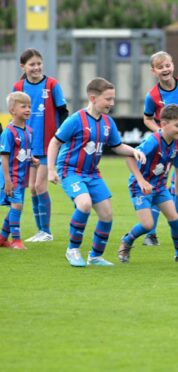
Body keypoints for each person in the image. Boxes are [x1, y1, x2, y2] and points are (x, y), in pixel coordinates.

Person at [47, 77, 146, 267]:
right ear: (93, 98)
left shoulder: (108, 123)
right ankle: (73, 250)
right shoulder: (76, 120)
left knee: (107, 214)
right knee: (84, 204)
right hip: (70, 171)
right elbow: (55, 142)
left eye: (113, 99)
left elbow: (117, 146)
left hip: (92, 173)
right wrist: (51, 170)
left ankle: (95, 256)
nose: (112, 103)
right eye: (108, 99)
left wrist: (134, 151)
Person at [118, 104, 178, 264]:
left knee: (175, 219)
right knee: (147, 224)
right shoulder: (153, 142)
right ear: (164, 124)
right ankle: (126, 241)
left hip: (159, 188)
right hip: (140, 188)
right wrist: (141, 180)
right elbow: (130, 156)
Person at [143, 51, 178, 246]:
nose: (165, 69)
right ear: (153, 71)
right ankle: (150, 234)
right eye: (160, 67)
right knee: (158, 185)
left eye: (167, 65)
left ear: (172, 66)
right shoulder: (152, 95)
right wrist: (161, 132)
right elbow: (147, 118)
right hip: (165, 146)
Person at [13, 48, 68, 243]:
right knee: (32, 188)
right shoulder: (19, 86)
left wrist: (59, 139)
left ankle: (46, 231)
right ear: (23, 67)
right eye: (32, 64)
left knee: (39, 185)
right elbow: (15, 114)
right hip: (28, 146)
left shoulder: (52, 84)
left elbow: (63, 112)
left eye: (39, 63)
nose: (36, 67)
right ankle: (41, 231)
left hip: (47, 145)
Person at [0, 92, 39, 250]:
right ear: (12, 111)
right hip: (11, 177)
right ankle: (16, 240)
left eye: (29, 106)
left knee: (16, 206)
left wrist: (33, 159)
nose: (28, 109)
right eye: (23, 106)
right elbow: (4, 158)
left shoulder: (29, 131)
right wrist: (7, 181)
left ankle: (2, 238)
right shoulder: (8, 132)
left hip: (21, 178)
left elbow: (24, 153)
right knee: (17, 206)